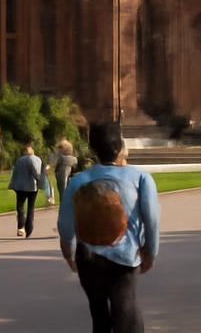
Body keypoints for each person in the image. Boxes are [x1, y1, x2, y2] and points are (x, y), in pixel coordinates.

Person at [57, 122, 160, 333]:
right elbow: (152, 219)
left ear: (93, 149)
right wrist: (150, 252)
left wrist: (68, 253)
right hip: (125, 257)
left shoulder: (77, 181)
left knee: (99, 315)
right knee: (126, 313)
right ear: (121, 146)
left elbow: (65, 225)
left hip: (88, 259)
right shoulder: (141, 178)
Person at [8, 140, 44, 237]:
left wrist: (12, 185)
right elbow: (38, 173)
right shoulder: (38, 160)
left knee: (20, 207)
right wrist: (41, 183)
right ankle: (29, 229)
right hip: (33, 186)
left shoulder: (20, 160)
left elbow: (15, 174)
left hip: (20, 187)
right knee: (30, 208)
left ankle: (20, 227)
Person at [53, 138, 79, 207]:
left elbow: (57, 167)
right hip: (70, 176)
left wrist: (55, 172)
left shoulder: (62, 158)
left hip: (61, 175)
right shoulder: (74, 159)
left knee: (62, 190)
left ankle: (64, 204)